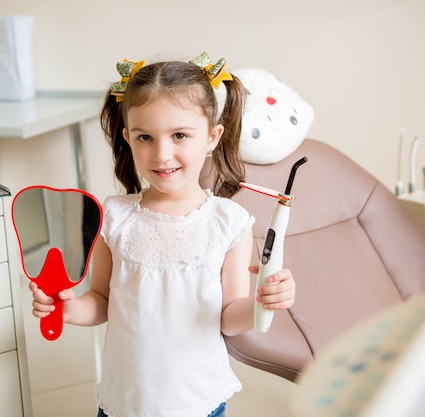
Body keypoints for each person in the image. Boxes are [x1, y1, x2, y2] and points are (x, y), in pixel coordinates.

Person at [29, 52, 296, 417]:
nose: (162, 154)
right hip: (124, 401)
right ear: (127, 137)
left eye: (180, 135)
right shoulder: (115, 217)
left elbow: (228, 317)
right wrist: (71, 307)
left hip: (197, 402)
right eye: (145, 137)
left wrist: (262, 305)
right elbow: (103, 300)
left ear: (212, 137)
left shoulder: (228, 223)